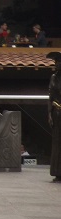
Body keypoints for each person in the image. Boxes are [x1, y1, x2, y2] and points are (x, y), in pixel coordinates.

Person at [48, 52, 61, 181]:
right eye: (55, 62)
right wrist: (49, 114)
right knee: (57, 142)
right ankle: (57, 172)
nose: (56, 65)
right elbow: (50, 97)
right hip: (57, 112)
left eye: (58, 62)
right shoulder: (53, 78)